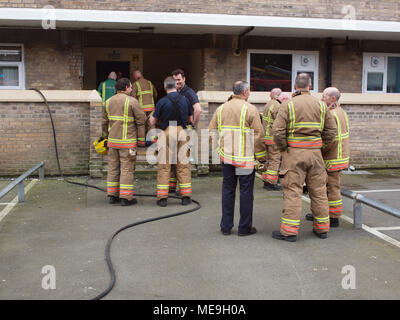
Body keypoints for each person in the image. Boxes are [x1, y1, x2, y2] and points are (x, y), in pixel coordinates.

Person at [271, 73, 337, 242]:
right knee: (319, 192)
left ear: (294, 86)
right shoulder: (322, 106)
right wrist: (320, 147)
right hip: (315, 155)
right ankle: (322, 229)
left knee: (293, 192)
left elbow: (277, 132)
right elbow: (331, 131)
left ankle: (289, 232)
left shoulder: (287, 105)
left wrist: (284, 148)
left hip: (294, 155)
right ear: (310, 85)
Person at [208, 80, 266, 236]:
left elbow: (211, 131)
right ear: (245, 92)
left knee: (228, 191)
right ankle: (244, 228)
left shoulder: (220, 109)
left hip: (226, 158)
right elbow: (258, 136)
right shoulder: (251, 109)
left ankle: (225, 227)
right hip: (245, 160)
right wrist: (261, 158)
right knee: (246, 193)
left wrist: (218, 150)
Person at [306, 87, 350, 227]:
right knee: (330, 187)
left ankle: (333, 217)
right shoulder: (341, 112)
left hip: (332, 158)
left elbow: (329, 139)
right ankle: (326, 214)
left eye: (324, 96)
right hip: (339, 156)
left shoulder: (331, 114)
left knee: (331, 188)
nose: (321, 98)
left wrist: (318, 151)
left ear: (332, 99)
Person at [149, 76, 193, 207]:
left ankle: (162, 198)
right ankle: (185, 197)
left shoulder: (162, 101)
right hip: (182, 132)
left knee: (164, 165)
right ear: (176, 86)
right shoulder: (185, 100)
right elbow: (190, 118)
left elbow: (153, 121)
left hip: (166, 132)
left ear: (164, 87)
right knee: (183, 165)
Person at [102, 78, 146, 206]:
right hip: (127, 144)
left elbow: (104, 123)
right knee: (127, 169)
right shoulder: (132, 101)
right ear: (126, 87)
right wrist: (141, 141)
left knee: (113, 168)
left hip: (112, 143)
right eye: (131, 87)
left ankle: (112, 195)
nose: (132, 89)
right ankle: (125, 198)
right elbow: (141, 120)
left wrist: (106, 137)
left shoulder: (108, 102)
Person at [169, 69, 202, 194]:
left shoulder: (189, 93)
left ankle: (183, 189)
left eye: (179, 79)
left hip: (184, 130)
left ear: (184, 79)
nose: (177, 82)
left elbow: (198, 110)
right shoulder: (175, 92)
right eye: (174, 80)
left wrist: (192, 125)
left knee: (183, 162)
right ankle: (172, 187)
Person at [261, 88, 283, 191]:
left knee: (268, 160)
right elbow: (280, 124)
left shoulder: (267, 104)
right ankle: (271, 183)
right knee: (275, 160)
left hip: (266, 137)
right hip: (273, 138)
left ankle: (266, 180)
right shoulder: (278, 106)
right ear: (278, 95)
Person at [130, 70, 158, 145]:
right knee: (151, 124)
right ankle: (153, 141)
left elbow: (133, 97)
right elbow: (155, 94)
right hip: (151, 108)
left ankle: (141, 143)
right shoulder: (149, 83)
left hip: (141, 109)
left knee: (141, 125)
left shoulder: (135, 84)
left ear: (135, 76)